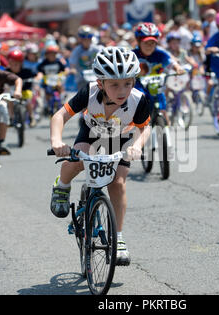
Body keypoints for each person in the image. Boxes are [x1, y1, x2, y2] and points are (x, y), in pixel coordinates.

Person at [49, 47, 150, 266]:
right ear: (101, 83)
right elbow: (60, 116)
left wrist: (138, 146)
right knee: (76, 162)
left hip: (120, 139)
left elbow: (145, 128)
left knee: (118, 183)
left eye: (128, 82)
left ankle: (119, 238)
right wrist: (57, 141)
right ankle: (62, 186)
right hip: (92, 134)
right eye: (114, 84)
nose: (122, 90)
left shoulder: (139, 99)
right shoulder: (89, 93)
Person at [132, 22, 185, 125]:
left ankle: (165, 125)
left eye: (152, 43)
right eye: (146, 43)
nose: (149, 46)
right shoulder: (133, 54)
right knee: (140, 97)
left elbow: (171, 62)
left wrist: (178, 68)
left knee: (162, 103)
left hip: (156, 85)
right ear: (138, 42)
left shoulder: (160, 53)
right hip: (139, 85)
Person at [6, 49, 37, 128]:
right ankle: (11, 117)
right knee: (9, 101)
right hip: (12, 92)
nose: (15, 65)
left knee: (28, 101)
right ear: (9, 63)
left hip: (25, 91)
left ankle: (31, 117)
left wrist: (37, 78)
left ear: (21, 63)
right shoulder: (7, 72)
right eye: (12, 63)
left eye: (17, 63)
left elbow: (36, 75)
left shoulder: (27, 71)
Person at [69, 25, 103, 90]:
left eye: (88, 39)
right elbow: (72, 64)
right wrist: (73, 69)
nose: (86, 41)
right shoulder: (77, 51)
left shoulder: (96, 49)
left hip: (95, 77)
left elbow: (103, 57)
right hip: (82, 79)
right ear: (81, 39)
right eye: (84, 39)